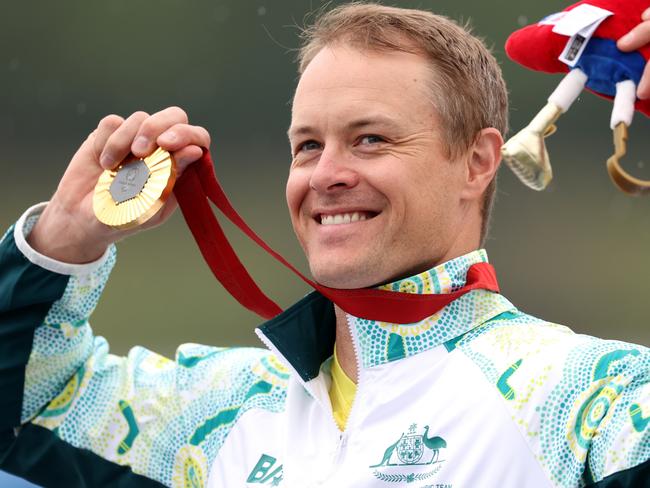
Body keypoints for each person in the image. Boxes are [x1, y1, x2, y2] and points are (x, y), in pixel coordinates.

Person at [0, 3, 648, 487]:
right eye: (308, 145)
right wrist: (63, 241)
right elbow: (25, 408)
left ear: (477, 162)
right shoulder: (209, 415)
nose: (327, 174)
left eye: (370, 139)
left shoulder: (592, 400)